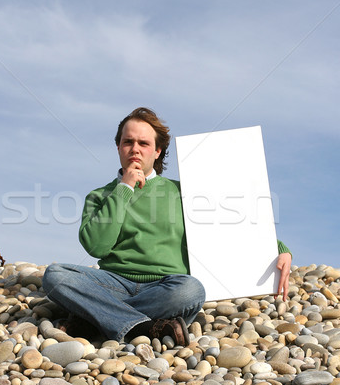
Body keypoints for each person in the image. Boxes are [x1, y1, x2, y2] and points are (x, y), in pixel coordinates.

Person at [43, 108, 292, 345]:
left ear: (158, 151)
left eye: (144, 144)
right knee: (55, 276)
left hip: (165, 287)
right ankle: (142, 327)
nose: (135, 150)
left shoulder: (183, 191)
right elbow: (98, 246)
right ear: (118, 146)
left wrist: (281, 249)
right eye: (128, 142)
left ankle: (95, 319)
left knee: (191, 291)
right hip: (113, 282)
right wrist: (124, 190)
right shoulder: (100, 196)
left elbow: (234, 224)